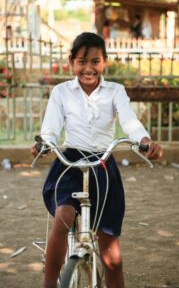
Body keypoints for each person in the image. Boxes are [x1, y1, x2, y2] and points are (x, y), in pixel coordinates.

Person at [31, 32, 163, 288]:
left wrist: (144, 142)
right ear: (72, 63)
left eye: (95, 61)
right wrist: (43, 144)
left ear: (104, 62)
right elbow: (50, 128)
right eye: (82, 61)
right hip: (69, 162)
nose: (88, 68)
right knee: (63, 217)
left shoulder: (115, 91)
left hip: (102, 165)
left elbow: (130, 122)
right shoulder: (61, 92)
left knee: (111, 255)